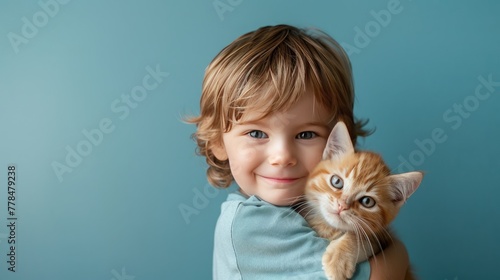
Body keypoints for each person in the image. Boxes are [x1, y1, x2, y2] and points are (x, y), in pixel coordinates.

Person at [188, 24, 410, 279]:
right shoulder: (253, 224)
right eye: (257, 133)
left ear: (336, 144)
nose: (282, 156)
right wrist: (398, 254)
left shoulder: (302, 210)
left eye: (305, 135)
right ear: (217, 142)